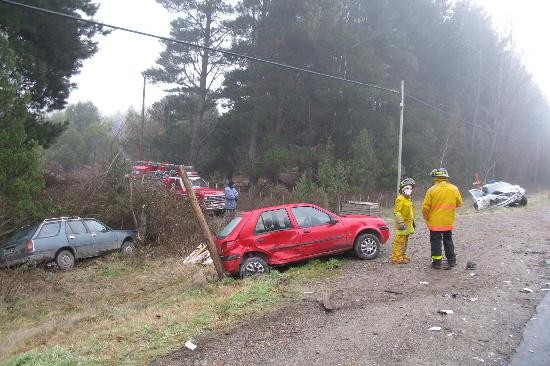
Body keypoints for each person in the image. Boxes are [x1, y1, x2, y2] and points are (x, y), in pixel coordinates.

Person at [422, 168, 463, 270]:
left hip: (435, 223)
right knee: (448, 240)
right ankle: (452, 261)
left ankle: (437, 263)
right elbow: (459, 203)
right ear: (446, 177)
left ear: (436, 178)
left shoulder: (431, 190)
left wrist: (426, 218)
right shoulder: (454, 189)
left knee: (436, 242)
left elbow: (425, 208)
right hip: (448, 221)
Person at [391, 177, 416, 264]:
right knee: (399, 241)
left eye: (410, 188)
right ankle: (396, 258)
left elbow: (410, 212)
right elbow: (397, 212)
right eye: (407, 188)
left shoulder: (408, 199)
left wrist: (413, 222)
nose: (409, 190)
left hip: (408, 225)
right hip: (402, 224)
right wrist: (400, 222)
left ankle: (402, 255)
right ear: (402, 189)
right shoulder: (400, 199)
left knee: (405, 241)